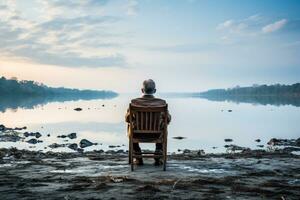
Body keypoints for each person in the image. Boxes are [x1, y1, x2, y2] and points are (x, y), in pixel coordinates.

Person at [125, 79, 171, 165]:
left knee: (129, 125)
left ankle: (137, 153)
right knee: (164, 125)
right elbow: (168, 119)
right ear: (154, 91)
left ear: (142, 90)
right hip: (157, 135)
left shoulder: (134, 103)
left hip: (137, 134)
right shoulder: (161, 103)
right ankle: (158, 151)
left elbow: (127, 119)